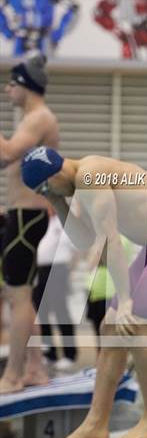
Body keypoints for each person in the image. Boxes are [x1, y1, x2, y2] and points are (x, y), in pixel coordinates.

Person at [20, 146, 147, 438]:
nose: (46, 194)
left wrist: (127, 300)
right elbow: (84, 240)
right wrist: (55, 199)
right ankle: (96, 422)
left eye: (45, 188)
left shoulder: (91, 175)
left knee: (131, 325)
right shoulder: (76, 185)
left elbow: (111, 242)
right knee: (109, 326)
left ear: (55, 174)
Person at [0, 54, 58, 393]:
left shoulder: (38, 118)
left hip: (27, 218)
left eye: (11, 83)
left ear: (25, 85)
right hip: (21, 216)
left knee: (17, 296)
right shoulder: (31, 120)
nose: (7, 89)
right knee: (21, 296)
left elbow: (7, 155)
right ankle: (34, 368)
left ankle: (14, 375)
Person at [32, 212, 78, 370]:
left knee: (60, 311)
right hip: (40, 270)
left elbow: (74, 250)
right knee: (41, 311)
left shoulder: (62, 221)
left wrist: (69, 271)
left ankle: (69, 354)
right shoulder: (42, 221)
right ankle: (50, 353)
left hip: (58, 269)